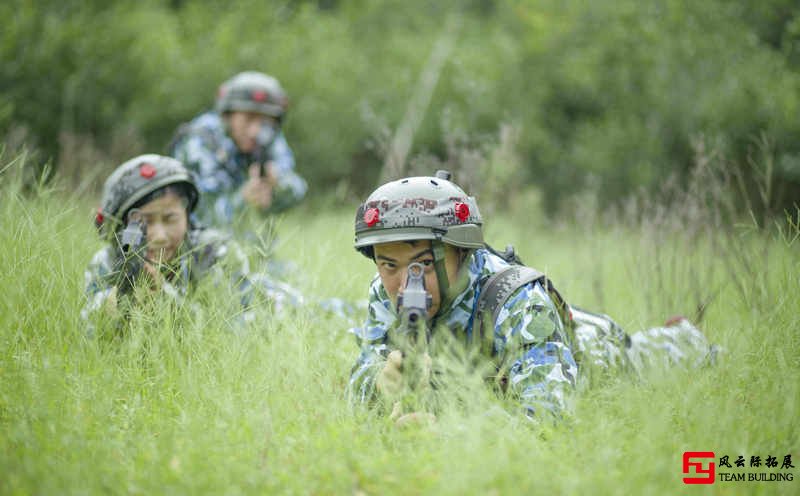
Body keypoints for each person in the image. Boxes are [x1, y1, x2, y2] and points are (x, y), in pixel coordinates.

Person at [347, 171, 716, 423]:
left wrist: (451, 436)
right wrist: (378, 384)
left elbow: (551, 415)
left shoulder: (516, 298)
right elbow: (360, 377)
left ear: (460, 251)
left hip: (590, 352)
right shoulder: (386, 292)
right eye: (388, 264)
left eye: (424, 263)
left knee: (646, 356)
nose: (402, 283)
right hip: (499, 376)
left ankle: (685, 337)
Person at [82, 154, 302, 335]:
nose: (159, 235)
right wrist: (114, 306)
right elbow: (90, 329)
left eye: (170, 219)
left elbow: (229, 331)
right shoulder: (109, 260)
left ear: (187, 216)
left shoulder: (214, 252)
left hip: (282, 308)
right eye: (144, 223)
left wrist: (164, 302)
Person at [169, 71, 307, 229]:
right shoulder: (200, 141)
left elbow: (298, 188)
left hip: (246, 239)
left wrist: (277, 186)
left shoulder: (269, 136)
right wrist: (243, 199)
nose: (255, 131)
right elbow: (199, 215)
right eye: (248, 118)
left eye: (264, 121)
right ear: (227, 116)